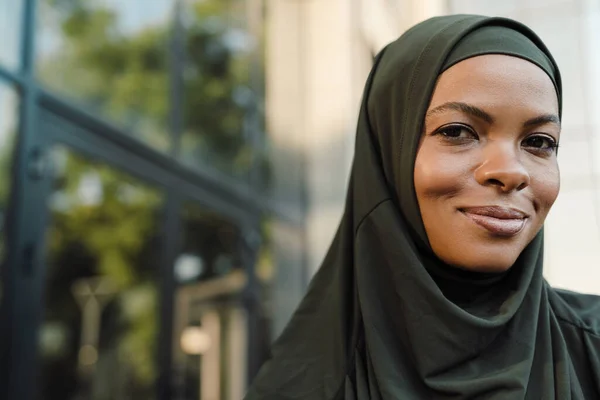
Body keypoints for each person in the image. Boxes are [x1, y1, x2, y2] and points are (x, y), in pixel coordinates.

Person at [245, 14, 600, 399]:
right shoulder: (303, 387)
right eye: (457, 132)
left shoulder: (592, 347)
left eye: (539, 142)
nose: (510, 172)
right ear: (387, 153)